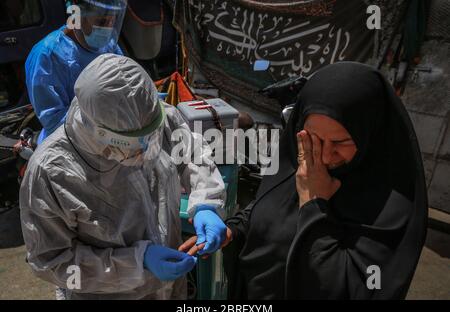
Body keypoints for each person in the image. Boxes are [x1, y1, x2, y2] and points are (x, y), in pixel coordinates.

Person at [180, 62, 428, 299]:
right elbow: (271, 205)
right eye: (314, 138)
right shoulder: (299, 159)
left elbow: (342, 289)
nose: (325, 155)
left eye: (340, 143)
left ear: (370, 135)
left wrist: (314, 203)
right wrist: (233, 230)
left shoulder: (391, 207)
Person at [20, 54, 227, 300]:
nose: (144, 150)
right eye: (132, 144)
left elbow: (191, 152)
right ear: (98, 131)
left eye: (150, 137)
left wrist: (206, 201)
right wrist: (136, 262)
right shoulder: (51, 172)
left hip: (171, 290)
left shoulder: (149, 115)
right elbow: (52, 261)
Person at [25, 0, 127, 144]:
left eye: (113, 21)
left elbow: (125, 82)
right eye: (102, 21)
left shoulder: (109, 45)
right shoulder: (47, 55)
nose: (108, 29)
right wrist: (103, 116)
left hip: (111, 134)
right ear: (77, 16)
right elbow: (54, 121)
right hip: (69, 143)